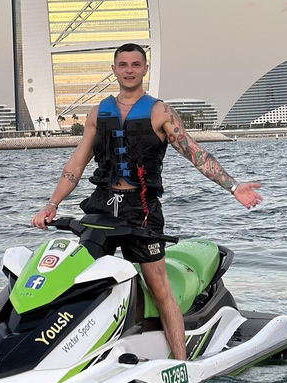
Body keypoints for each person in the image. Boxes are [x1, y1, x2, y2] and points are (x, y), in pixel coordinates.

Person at [31, 43, 263, 360]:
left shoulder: (159, 111)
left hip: (141, 212)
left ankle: (181, 362)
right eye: (123, 64)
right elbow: (76, 164)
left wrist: (233, 186)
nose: (129, 69)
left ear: (144, 69)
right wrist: (52, 203)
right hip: (101, 208)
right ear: (114, 70)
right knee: (79, 281)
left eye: (135, 64)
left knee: (159, 288)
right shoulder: (98, 113)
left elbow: (195, 153)